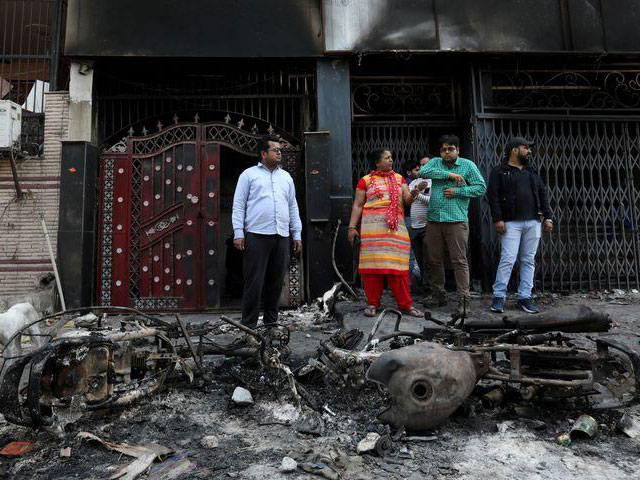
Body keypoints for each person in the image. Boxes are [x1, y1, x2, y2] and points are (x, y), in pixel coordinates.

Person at [232, 135, 302, 330]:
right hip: (256, 235)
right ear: (263, 153)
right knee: (254, 283)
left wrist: (297, 234)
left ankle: (271, 323)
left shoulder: (285, 177)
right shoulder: (249, 175)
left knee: (276, 282)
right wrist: (239, 232)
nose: (279, 152)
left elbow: (292, 206)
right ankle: (249, 324)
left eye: (280, 149)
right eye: (275, 150)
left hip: (281, 236)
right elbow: (239, 205)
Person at [347, 149, 427, 317]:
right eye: (387, 158)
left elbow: (405, 201)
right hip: (372, 231)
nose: (391, 160)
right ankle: (372, 303)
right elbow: (358, 205)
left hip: (396, 231)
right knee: (372, 268)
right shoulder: (365, 181)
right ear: (377, 162)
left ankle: (406, 304)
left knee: (398, 267)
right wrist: (352, 227)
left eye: (391, 157)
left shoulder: (399, 179)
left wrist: (414, 193)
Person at [420, 135, 486, 316]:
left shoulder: (468, 165)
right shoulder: (435, 163)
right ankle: (438, 294)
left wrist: (458, 192)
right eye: (443, 149)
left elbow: (480, 187)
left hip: (456, 220)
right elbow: (423, 172)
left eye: (450, 149)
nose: (447, 152)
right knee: (434, 259)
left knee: (459, 261)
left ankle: (464, 300)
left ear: (457, 150)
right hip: (434, 220)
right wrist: (449, 175)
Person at [487, 137, 553, 314]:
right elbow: (492, 197)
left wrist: (548, 217)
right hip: (510, 223)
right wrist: (498, 219)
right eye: (526, 148)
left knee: (528, 260)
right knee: (508, 259)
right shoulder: (499, 171)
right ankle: (499, 297)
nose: (529, 151)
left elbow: (542, 193)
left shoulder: (531, 171)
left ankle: (525, 297)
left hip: (533, 221)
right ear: (514, 150)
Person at [406, 157, 432, 290]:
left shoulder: (434, 182)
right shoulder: (414, 182)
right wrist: (417, 190)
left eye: (425, 165)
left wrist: (417, 195)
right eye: (421, 165)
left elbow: (432, 202)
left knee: (429, 258)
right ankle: (422, 285)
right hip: (414, 225)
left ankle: (429, 286)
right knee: (418, 258)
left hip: (428, 225)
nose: (423, 168)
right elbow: (408, 198)